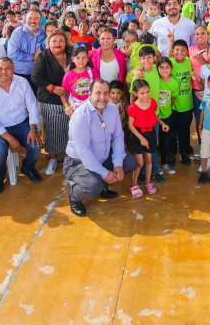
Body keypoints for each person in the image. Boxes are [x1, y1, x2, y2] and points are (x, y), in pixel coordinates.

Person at [63, 78, 141, 217]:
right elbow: (84, 151)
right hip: (78, 162)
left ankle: (103, 187)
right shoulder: (81, 116)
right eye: (98, 93)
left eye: (106, 93)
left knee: (130, 162)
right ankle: (74, 195)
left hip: (104, 155)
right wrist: (104, 173)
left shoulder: (112, 109)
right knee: (93, 186)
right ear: (89, 94)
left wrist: (117, 164)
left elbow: (117, 136)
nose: (102, 97)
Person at [0, 57, 43, 193]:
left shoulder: (23, 82)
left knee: (36, 147)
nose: (4, 71)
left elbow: (32, 106)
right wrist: (10, 139)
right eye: (0, 69)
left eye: (7, 68)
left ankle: (27, 168)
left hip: (21, 123)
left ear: (13, 69)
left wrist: (33, 128)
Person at [32, 29, 71, 176]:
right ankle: (53, 158)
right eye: (54, 41)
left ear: (66, 42)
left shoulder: (72, 54)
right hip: (50, 99)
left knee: (70, 129)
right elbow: (36, 77)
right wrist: (52, 88)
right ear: (49, 43)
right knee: (53, 130)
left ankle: (69, 156)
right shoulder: (43, 57)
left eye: (61, 40)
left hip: (71, 99)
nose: (58, 44)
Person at [126, 79, 168, 197]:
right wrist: (141, 139)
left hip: (150, 133)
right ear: (136, 94)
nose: (146, 95)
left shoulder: (153, 102)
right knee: (140, 162)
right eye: (142, 93)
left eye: (147, 92)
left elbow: (154, 116)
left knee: (149, 160)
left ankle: (148, 183)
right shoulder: (133, 107)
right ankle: (134, 184)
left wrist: (162, 124)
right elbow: (131, 125)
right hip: (138, 135)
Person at [5, 9, 46, 90]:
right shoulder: (17, 33)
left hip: (38, 75)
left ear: (40, 20)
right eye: (30, 18)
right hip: (19, 74)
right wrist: (32, 57)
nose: (32, 21)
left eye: (36, 18)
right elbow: (12, 54)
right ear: (25, 19)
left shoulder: (45, 33)